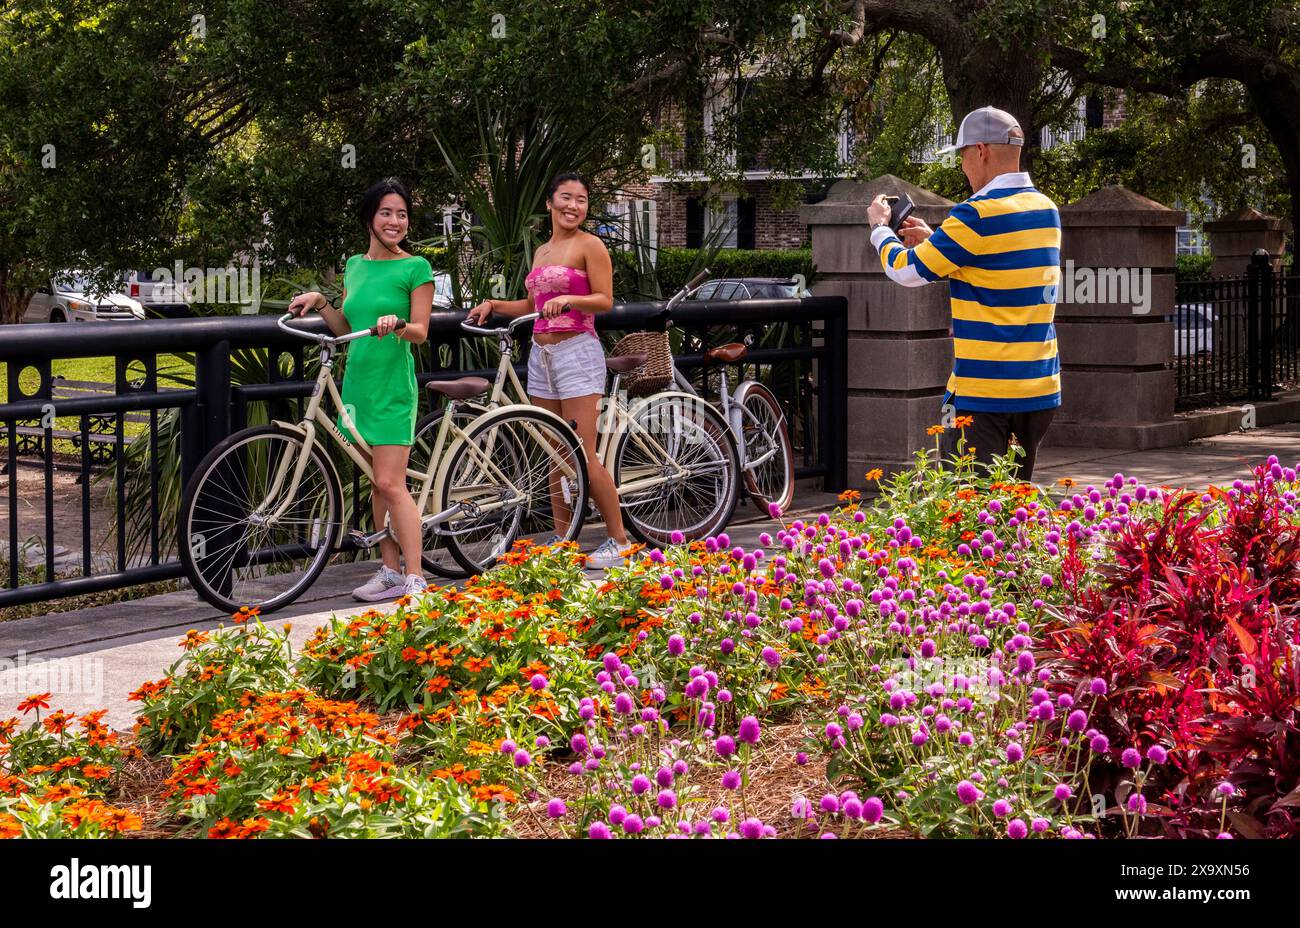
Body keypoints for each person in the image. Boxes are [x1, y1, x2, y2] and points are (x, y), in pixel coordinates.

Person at [868, 106, 1061, 481]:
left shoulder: (975, 215)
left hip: (983, 393)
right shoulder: (1046, 210)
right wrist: (937, 240)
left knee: (969, 509)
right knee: (1013, 505)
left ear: (981, 151)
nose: (962, 166)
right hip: (1038, 388)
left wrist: (879, 230)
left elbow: (906, 271)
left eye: (962, 156)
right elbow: (998, 265)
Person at [465, 170, 630, 569]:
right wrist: (493, 305)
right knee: (553, 452)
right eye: (567, 198)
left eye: (582, 200)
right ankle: (564, 536)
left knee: (583, 453)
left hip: (577, 351)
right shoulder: (541, 252)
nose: (574, 206)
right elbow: (530, 306)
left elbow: (604, 301)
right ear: (550, 203)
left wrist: (572, 300)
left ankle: (619, 541)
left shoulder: (591, 245)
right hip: (541, 355)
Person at [288, 177, 435, 601]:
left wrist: (399, 324)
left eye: (402, 214)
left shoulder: (416, 267)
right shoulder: (355, 264)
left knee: (392, 483)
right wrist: (321, 302)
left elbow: (422, 332)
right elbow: (348, 330)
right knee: (376, 482)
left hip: (392, 386)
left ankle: (416, 576)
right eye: (386, 212)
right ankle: (389, 570)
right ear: (369, 218)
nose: (395, 221)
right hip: (357, 386)